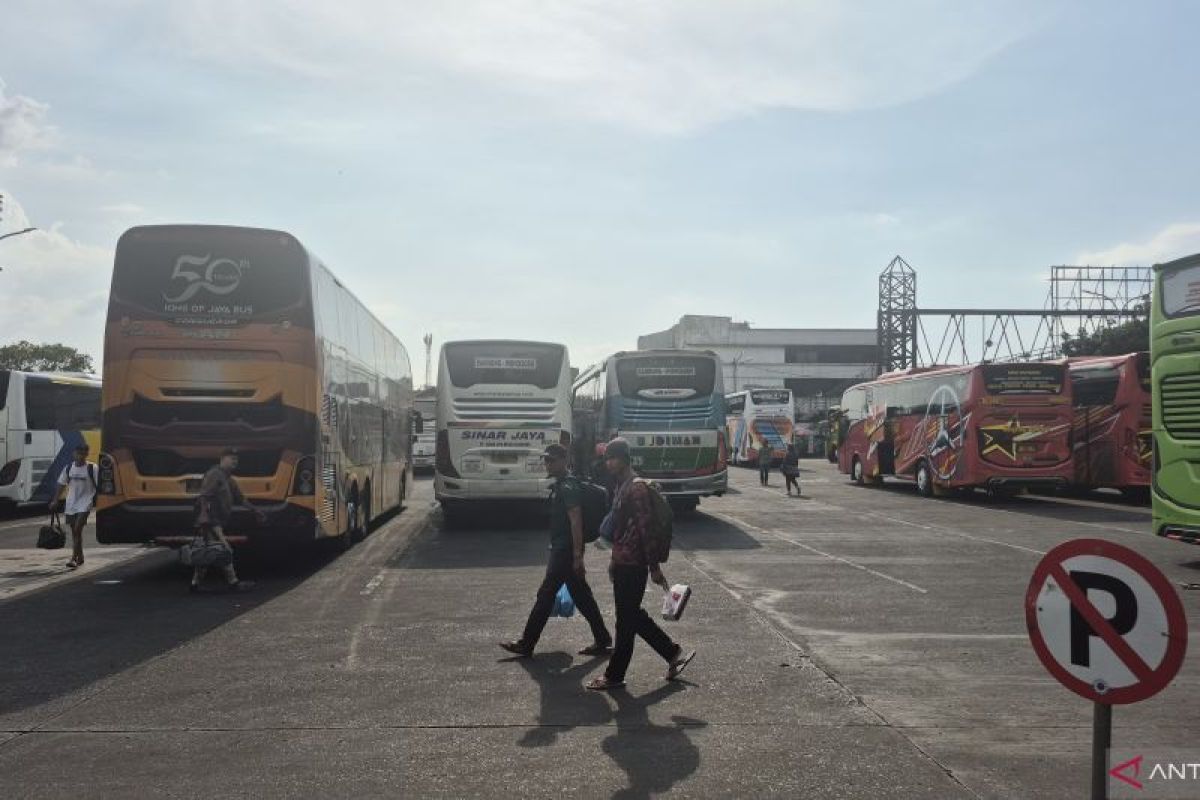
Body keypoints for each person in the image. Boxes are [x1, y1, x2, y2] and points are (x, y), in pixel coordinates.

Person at [586, 438, 694, 691]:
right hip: (623, 561)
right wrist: (613, 560)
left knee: (626, 620)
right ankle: (672, 652)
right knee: (631, 616)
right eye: (607, 459)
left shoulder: (636, 489)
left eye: (613, 458)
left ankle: (615, 675)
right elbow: (620, 531)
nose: (609, 463)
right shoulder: (621, 486)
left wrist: (654, 567)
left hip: (634, 564)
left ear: (625, 458)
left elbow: (646, 530)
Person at [501, 444, 612, 658]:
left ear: (564, 460)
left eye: (552, 460)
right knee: (582, 596)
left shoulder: (568, 487)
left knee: (546, 594)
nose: (548, 464)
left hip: (565, 551)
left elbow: (576, 521)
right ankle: (603, 639)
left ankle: (527, 643)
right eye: (546, 460)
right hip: (564, 549)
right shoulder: (561, 484)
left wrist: (577, 556)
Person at [191, 448, 265, 594]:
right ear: (222, 459)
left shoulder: (229, 479)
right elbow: (204, 496)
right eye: (231, 458)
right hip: (211, 522)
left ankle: (194, 585)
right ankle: (233, 582)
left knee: (209, 553)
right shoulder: (214, 474)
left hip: (218, 522)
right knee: (224, 550)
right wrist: (204, 516)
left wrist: (256, 510)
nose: (235, 462)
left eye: (236, 459)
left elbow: (241, 499)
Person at [52, 444, 97, 570]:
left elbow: (100, 486)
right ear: (74, 454)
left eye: (83, 453)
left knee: (77, 529)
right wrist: (55, 500)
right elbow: (61, 484)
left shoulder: (92, 468)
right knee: (75, 532)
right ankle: (81, 556)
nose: (81, 456)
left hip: (86, 503)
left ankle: (73, 558)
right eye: (79, 453)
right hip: (71, 504)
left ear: (87, 454)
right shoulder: (68, 468)